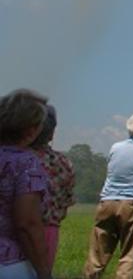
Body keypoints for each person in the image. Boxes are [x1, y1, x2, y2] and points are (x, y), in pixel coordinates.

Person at [84, 113, 133, 279]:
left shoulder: (115, 147)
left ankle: (91, 275)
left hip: (107, 200)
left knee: (98, 250)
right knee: (129, 251)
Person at [0, 89, 52, 279]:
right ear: (31, 130)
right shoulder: (25, 163)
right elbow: (27, 223)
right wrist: (44, 271)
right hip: (9, 263)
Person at [30, 104, 73, 271]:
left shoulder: (12, 159)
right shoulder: (63, 162)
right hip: (49, 230)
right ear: (52, 133)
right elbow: (65, 203)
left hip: (13, 232)